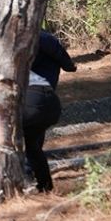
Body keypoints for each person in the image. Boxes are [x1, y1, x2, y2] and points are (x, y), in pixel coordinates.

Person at [23, 31, 77, 193]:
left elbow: (59, 53)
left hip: (44, 78)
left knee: (34, 126)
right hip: (27, 78)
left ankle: (29, 168)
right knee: (31, 131)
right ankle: (30, 167)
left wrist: (69, 66)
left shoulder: (41, 37)